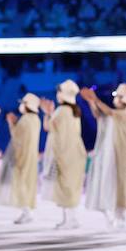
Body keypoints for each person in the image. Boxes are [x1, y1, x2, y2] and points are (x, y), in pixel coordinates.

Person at [81, 84, 126, 230]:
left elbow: (111, 113)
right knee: (105, 186)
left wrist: (96, 99)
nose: (117, 99)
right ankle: (110, 216)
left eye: (120, 96)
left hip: (123, 156)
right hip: (107, 157)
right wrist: (91, 102)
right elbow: (99, 115)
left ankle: (120, 217)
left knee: (121, 187)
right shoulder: (112, 114)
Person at [43, 81, 86, 229]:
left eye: (59, 91)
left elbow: (48, 127)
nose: (57, 94)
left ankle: (69, 220)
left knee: (65, 187)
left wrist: (47, 113)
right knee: (71, 187)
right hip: (75, 153)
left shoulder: (61, 111)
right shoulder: (75, 110)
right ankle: (71, 219)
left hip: (64, 155)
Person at [4, 93, 42, 224]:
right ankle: (28, 211)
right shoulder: (36, 119)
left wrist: (11, 124)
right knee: (28, 183)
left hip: (23, 156)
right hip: (31, 155)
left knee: (22, 183)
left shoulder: (25, 120)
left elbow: (16, 137)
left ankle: (26, 212)